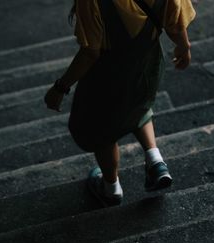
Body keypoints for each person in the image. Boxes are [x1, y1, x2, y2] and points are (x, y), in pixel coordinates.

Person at [44, 0, 196, 207]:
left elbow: (90, 53)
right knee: (138, 104)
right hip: (146, 67)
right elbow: (175, 23)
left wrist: (60, 87)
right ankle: (155, 159)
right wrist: (184, 47)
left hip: (107, 78)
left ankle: (111, 188)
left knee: (102, 131)